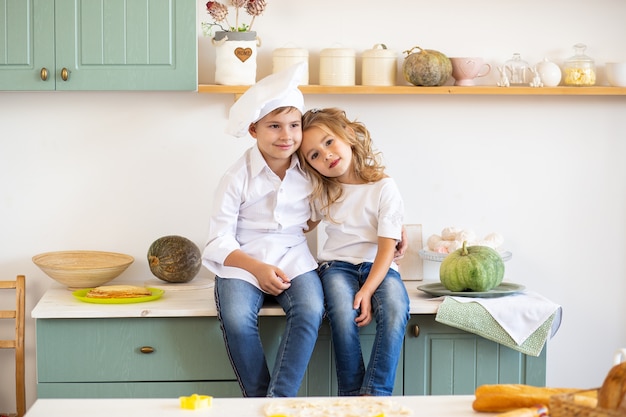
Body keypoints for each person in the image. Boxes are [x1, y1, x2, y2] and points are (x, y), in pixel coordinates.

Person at [202, 63, 325, 398]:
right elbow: (217, 242)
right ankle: (257, 404)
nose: (286, 135)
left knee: (312, 310)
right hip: (243, 262)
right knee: (238, 319)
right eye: (274, 126)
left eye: (293, 125)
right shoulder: (236, 177)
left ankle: (278, 403)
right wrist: (257, 268)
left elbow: (337, 204)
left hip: (293, 258)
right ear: (254, 130)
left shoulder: (311, 170)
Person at [298, 107, 410, 396]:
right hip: (337, 267)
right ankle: (350, 396)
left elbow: (387, 246)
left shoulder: (384, 186)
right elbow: (299, 225)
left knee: (397, 309)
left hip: (379, 266)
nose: (325, 155)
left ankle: (374, 394)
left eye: (328, 142)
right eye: (314, 155)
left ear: (348, 135)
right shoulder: (322, 192)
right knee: (342, 313)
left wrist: (368, 290)